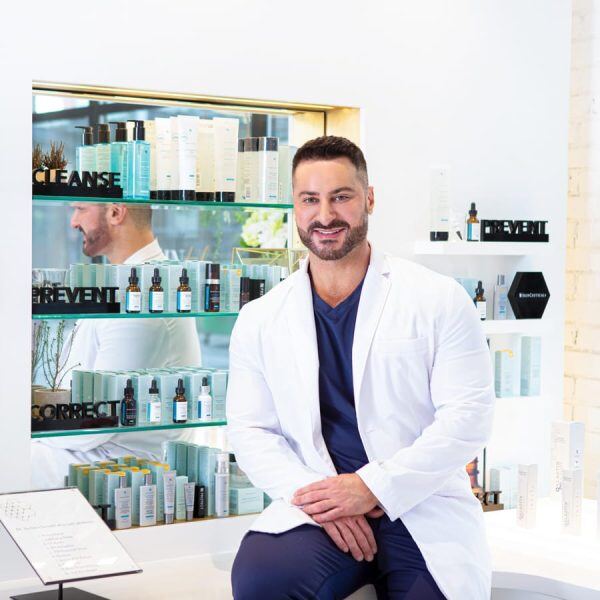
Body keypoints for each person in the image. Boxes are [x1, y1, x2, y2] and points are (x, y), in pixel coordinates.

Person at [226, 136, 495, 599]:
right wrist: (323, 498)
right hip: (322, 507)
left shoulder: (438, 299)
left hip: (418, 502)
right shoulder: (260, 318)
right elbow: (250, 431)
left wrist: (372, 487)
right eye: (310, 199)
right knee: (261, 580)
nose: (325, 215)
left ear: (369, 198)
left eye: (341, 197)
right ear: (295, 207)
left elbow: (469, 417)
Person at [31, 203, 201, 489]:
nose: (73, 221)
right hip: (95, 453)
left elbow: (96, 423)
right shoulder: (129, 281)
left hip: (117, 471)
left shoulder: (142, 297)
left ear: (115, 213)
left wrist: (28, 423)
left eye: (81, 209)